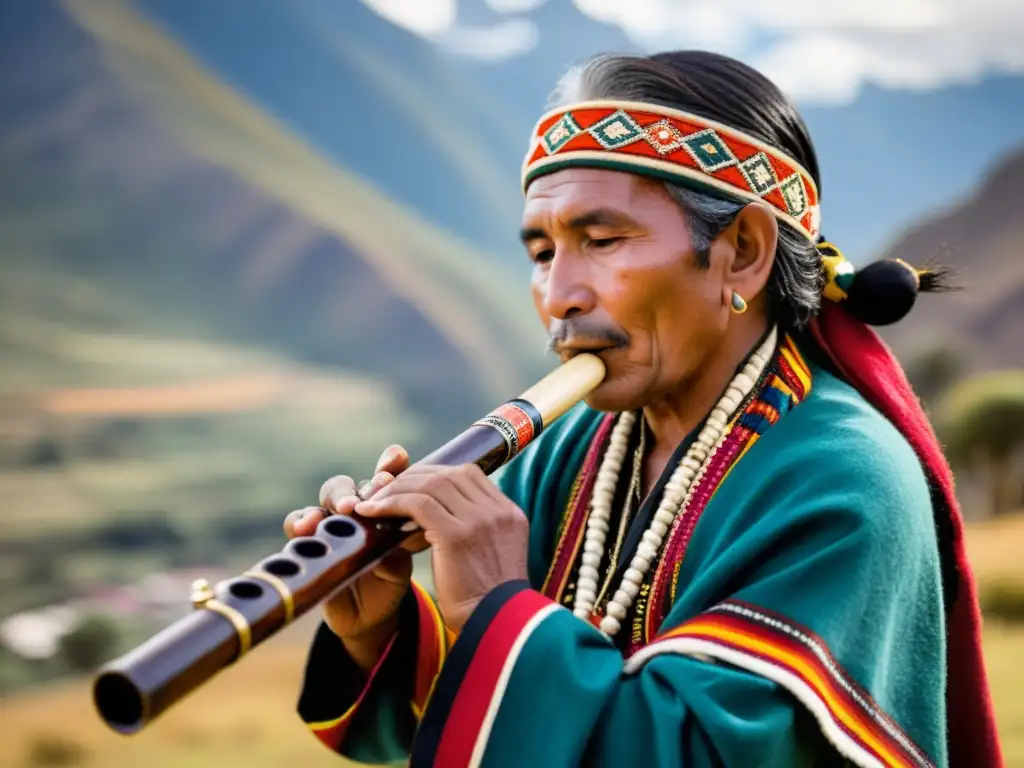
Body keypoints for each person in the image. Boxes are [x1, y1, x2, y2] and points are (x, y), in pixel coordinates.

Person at [283, 51, 1003, 768]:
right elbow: (475, 719)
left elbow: (708, 753)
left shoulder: (845, 482)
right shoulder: (566, 451)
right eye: (541, 251)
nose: (559, 294)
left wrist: (497, 607)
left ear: (742, 253)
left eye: (600, 241)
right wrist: (381, 630)